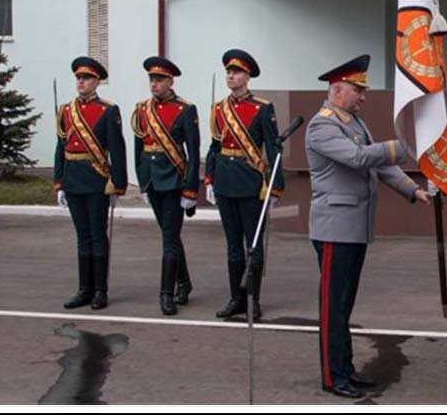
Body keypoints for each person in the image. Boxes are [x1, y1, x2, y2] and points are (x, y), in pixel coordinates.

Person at [305, 54, 430, 399]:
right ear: (337, 89)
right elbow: (359, 158)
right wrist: (402, 145)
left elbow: (380, 166)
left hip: (354, 227)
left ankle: (345, 369)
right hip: (334, 228)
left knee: (343, 305)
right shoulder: (323, 125)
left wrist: (412, 189)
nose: (363, 97)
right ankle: (333, 376)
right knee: (333, 307)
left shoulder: (354, 123)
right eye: (358, 90)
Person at [205, 49, 283, 321]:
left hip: (251, 183)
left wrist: (275, 185)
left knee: (253, 245)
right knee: (232, 246)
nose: (230, 76)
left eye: (236, 72)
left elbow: (274, 150)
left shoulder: (262, 108)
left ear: (247, 76)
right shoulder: (218, 109)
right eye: (228, 71)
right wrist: (210, 178)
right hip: (225, 181)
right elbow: (214, 147)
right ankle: (235, 298)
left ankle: (253, 299)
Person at [55, 57, 128, 310]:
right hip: (73, 178)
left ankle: (100, 290)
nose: (81, 82)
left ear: (97, 82)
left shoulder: (108, 110)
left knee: (98, 236)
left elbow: (117, 150)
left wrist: (118, 183)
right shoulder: (66, 110)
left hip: (96, 179)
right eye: (78, 78)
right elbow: (60, 147)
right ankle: (84, 289)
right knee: (82, 236)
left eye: (86, 78)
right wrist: (59, 181)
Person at [132, 56, 200, 315]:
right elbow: (139, 149)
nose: (154, 84)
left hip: (173, 181)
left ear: (171, 81)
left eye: (159, 80)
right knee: (169, 235)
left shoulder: (185, 110)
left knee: (169, 239)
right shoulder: (141, 109)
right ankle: (184, 282)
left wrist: (191, 190)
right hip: (152, 180)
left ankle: (166, 293)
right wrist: (142, 182)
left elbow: (193, 152)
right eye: (151, 79)